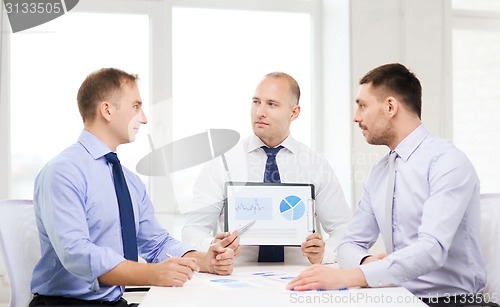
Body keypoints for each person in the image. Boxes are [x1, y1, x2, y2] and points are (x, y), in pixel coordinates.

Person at [287, 63, 488, 306]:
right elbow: (349, 243)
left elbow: (431, 249)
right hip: (395, 295)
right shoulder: (380, 172)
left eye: (362, 105)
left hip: (450, 301)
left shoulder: (448, 162)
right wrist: (368, 264)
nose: (356, 117)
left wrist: (348, 276)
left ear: (390, 107)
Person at [30, 68, 235, 307]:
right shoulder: (63, 172)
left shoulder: (129, 181)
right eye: (136, 106)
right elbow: (77, 254)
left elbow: (156, 242)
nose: (145, 118)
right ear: (107, 110)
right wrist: (153, 274)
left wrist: (203, 260)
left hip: (114, 302)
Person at [182, 72, 351, 265]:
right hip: (235, 279)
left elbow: (344, 229)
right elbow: (192, 230)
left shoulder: (316, 165)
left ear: (294, 112)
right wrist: (213, 246)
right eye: (256, 102)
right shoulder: (222, 163)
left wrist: (324, 253)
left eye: (272, 104)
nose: (260, 112)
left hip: (300, 279)